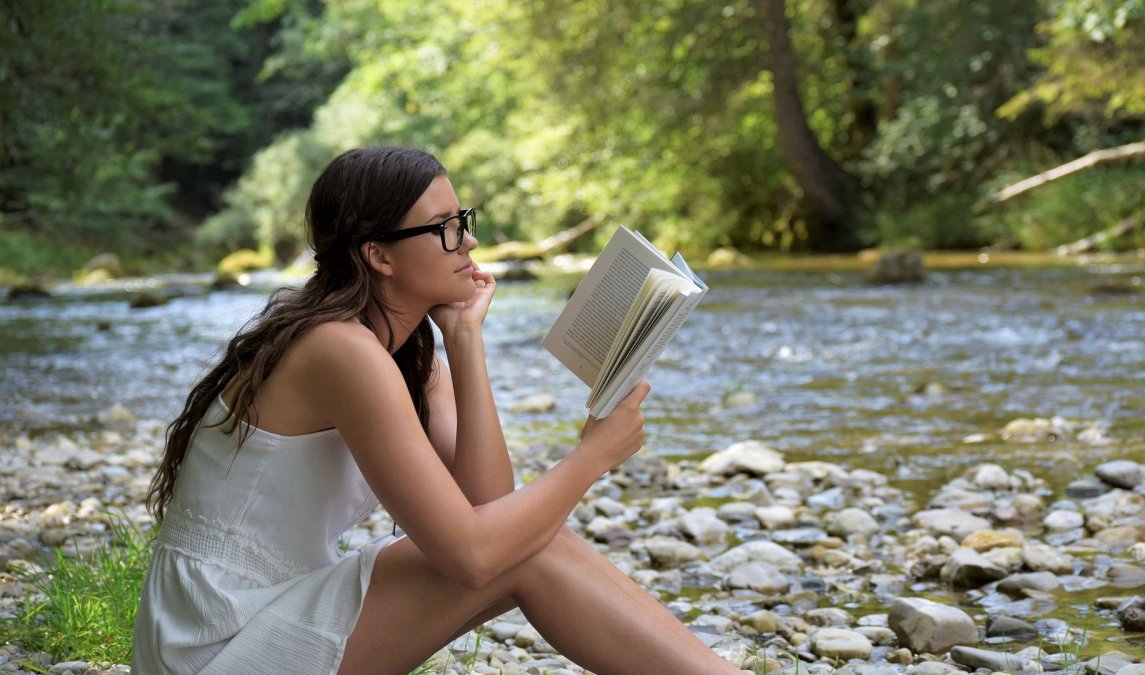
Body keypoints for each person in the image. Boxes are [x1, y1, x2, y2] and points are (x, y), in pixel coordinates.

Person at [133, 146, 741, 674]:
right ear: (380, 255)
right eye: (445, 227)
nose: (469, 241)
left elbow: (491, 509)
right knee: (533, 544)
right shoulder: (338, 349)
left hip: (273, 609)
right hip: (214, 641)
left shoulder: (403, 354)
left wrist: (465, 340)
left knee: (535, 539)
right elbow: (474, 555)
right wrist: (591, 457)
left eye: (464, 220)